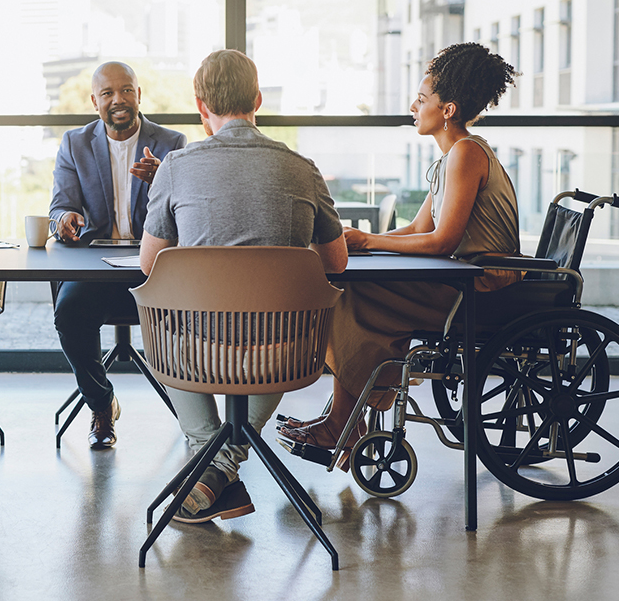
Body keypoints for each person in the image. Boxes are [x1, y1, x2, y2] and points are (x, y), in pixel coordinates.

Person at [278, 42, 520, 460]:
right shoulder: (451, 158)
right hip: (464, 278)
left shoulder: (466, 153)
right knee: (355, 285)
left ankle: (344, 423)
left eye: (422, 99)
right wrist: (363, 241)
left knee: (354, 293)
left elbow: (443, 240)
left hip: (483, 287)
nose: (413, 105)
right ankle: (344, 419)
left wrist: (369, 242)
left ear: (448, 110)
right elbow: (416, 229)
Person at [139, 49, 347, 523]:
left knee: (161, 309)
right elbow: (336, 262)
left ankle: (209, 459)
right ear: (257, 98)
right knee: (281, 321)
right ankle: (221, 468)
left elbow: (150, 264)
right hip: (284, 353)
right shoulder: (303, 168)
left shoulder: (176, 167)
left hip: (196, 353)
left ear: (200, 106)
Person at [48, 61, 187, 449]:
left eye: (126, 90)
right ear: (95, 102)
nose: (119, 100)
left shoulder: (172, 144)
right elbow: (59, 206)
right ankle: (101, 403)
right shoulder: (75, 144)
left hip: (155, 267)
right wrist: (66, 218)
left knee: (191, 310)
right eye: (108, 93)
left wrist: (164, 179)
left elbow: (191, 212)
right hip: (98, 267)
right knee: (68, 311)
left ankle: (194, 412)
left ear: (139, 95)